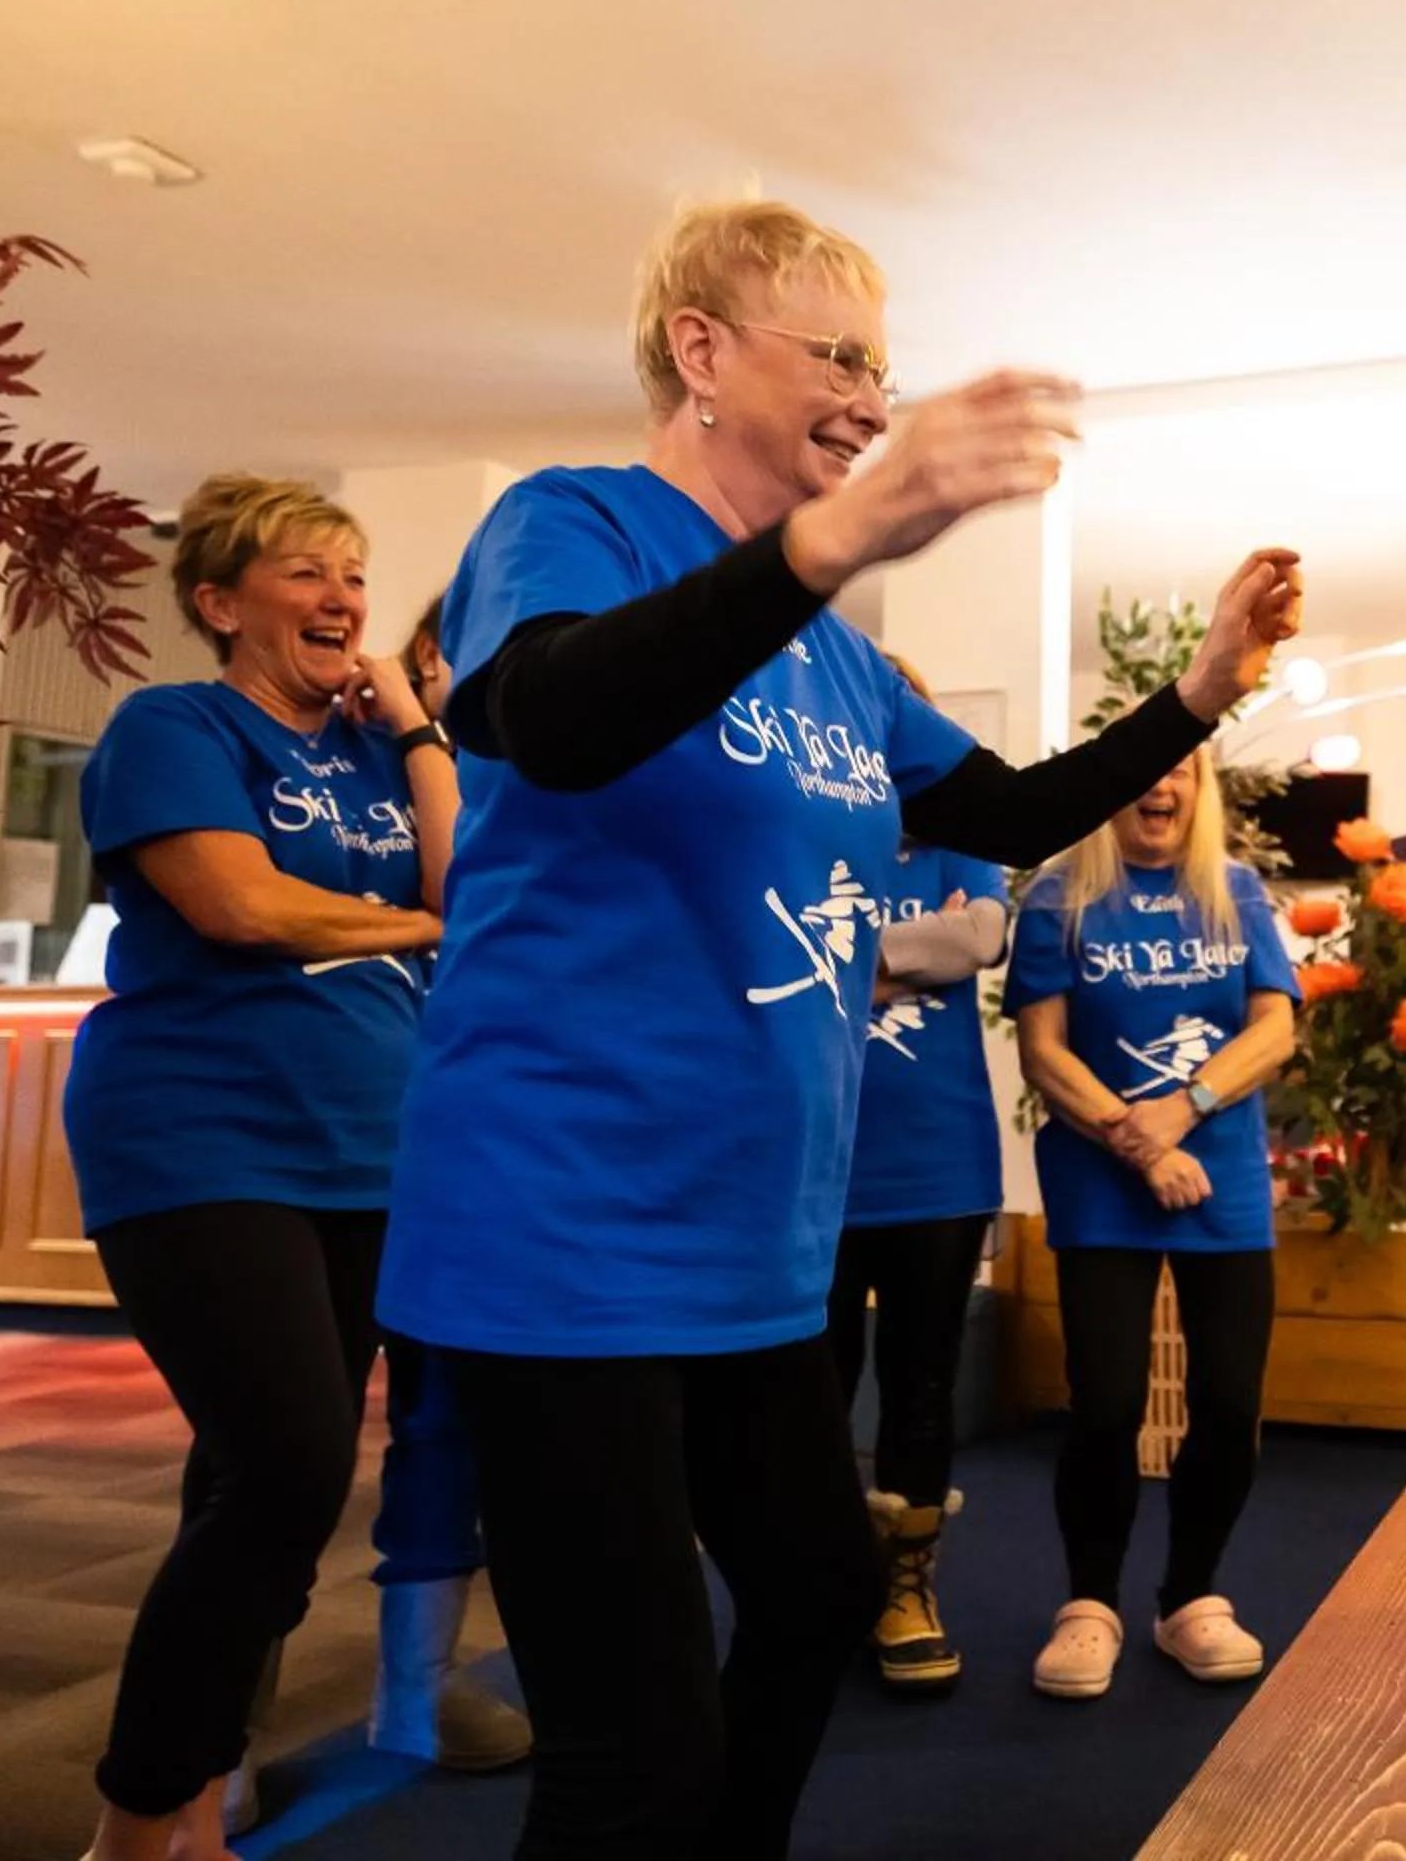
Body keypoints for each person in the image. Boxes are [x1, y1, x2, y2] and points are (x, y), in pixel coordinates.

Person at [371, 196, 1299, 1861]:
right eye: (840, 354)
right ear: (702, 353)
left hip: (752, 1253)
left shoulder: (839, 667)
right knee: (631, 1741)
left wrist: (1200, 695)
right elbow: (555, 719)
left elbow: (1011, 811)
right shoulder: (570, 521)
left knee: (811, 1605)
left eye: (886, 361)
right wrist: (830, 545)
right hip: (560, 1228)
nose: (874, 392)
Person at [62, 476, 456, 1861]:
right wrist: (402, 920)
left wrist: (414, 730)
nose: (342, 596)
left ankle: (193, 1803)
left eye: (353, 571)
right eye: (306, 572)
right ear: (221, 603)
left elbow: (471, 894)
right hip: (199, 1136)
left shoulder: (368, 758)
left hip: (362, 1154)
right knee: (287, 1472)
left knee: (254, 1472)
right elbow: (233, 903)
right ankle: (136, 1816)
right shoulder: (175, 725)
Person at [1005, 746, 1300, 1701]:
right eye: (1146, 770)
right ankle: (1089, 1604)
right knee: (1106, 1404)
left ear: (1199, 789)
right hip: (1103, 1183)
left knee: (1225, 1403)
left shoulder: (1237, 892)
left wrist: (1187, 1108)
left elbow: (1275, 1028)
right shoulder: (1058, 896)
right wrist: (1141, 1142)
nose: (1159, 784)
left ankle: (1189, 1599)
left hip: (1223, 1184)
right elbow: (1044, 1053)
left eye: (1181, 772)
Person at [362, 592, 535, 1773]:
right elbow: (453, 894)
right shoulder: (367, 768)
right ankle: (225, 1727)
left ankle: (420, 1690)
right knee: (291, 1444)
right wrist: (420, 735)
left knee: (464, 1421)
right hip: (354, 1130)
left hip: (494, 1139)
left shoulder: (540, 776)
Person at [830, 648, 1011, 1694]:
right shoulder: (809, 837)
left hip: (941, 1160)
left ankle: (907, 1584)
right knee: (812, 1389)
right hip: (816, 1161)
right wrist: (910, 949)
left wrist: (843, 953)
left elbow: (979, 932)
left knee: (922, 1384)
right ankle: (826, 1581)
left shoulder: (960, 839)